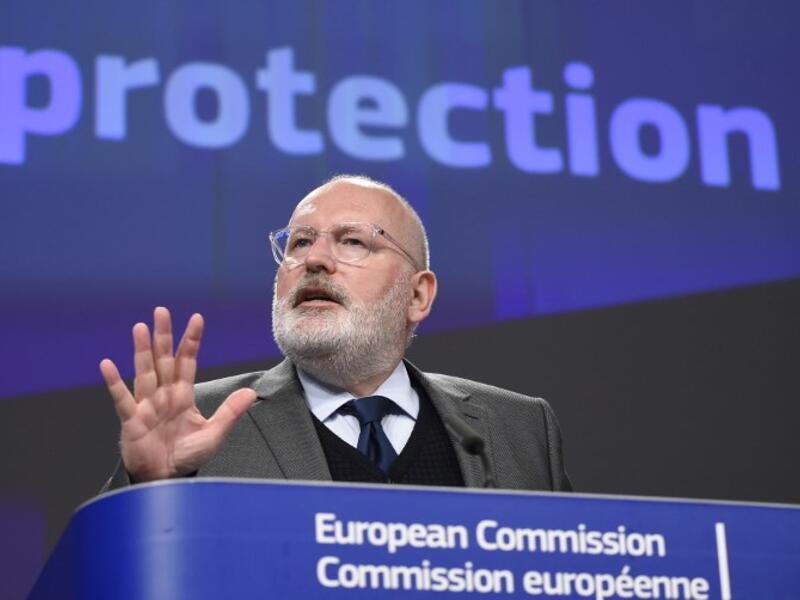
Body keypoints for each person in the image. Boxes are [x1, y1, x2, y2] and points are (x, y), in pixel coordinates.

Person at [102, 175, 572, 491]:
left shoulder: (518, 427)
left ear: (418, 296)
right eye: (300, 241)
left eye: (352, 241)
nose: (314, 260)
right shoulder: (202, 423)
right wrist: (150, 487)